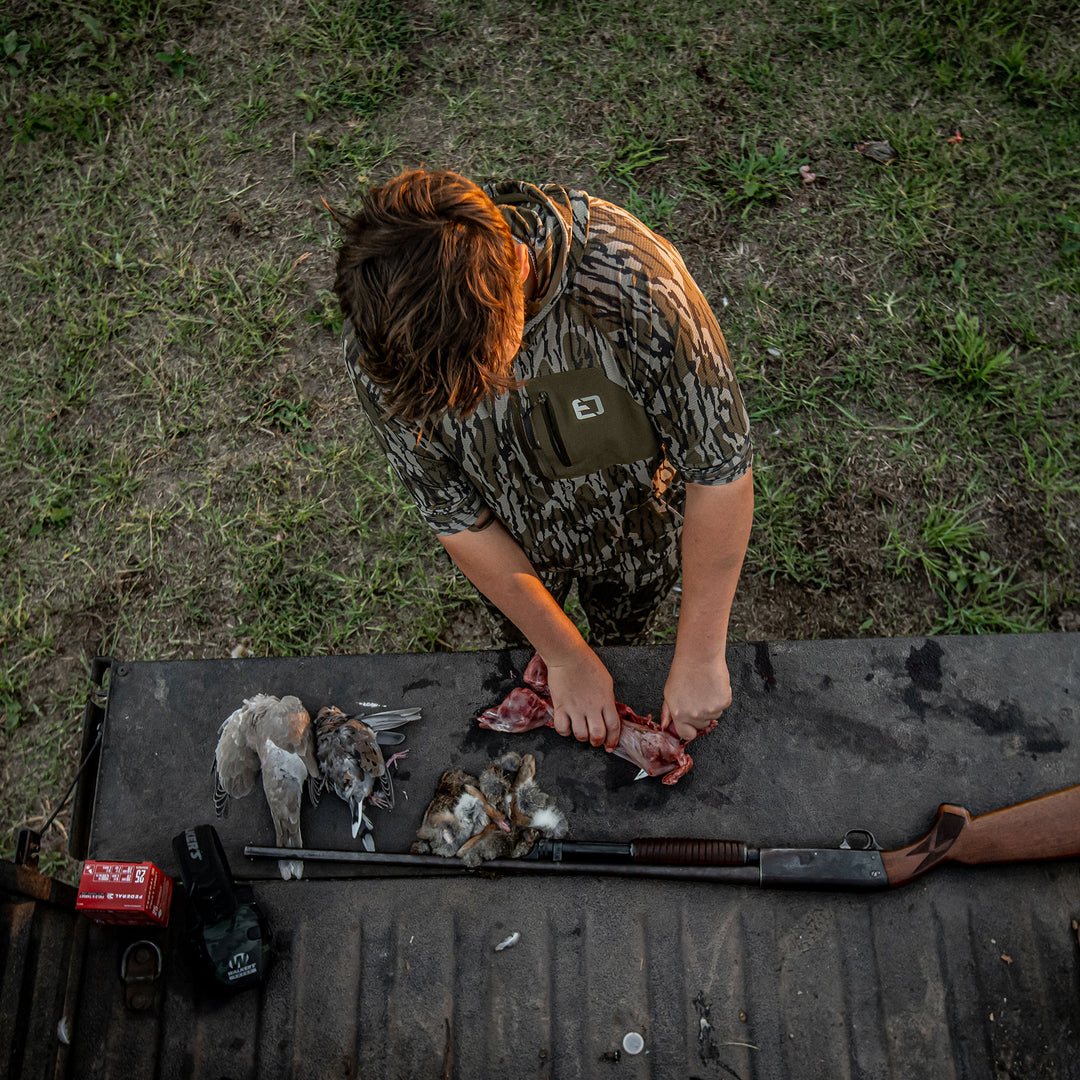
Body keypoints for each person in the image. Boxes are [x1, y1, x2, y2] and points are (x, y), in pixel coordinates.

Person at [333, 169, 753, 752]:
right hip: (514, 556)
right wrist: (561, 653)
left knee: (625, 637)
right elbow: (457, 516)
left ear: (519, 267)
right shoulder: (384, 338)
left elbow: (719, 472)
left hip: (637, 538)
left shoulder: (638, 289)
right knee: (530, 648)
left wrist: (702, 655)